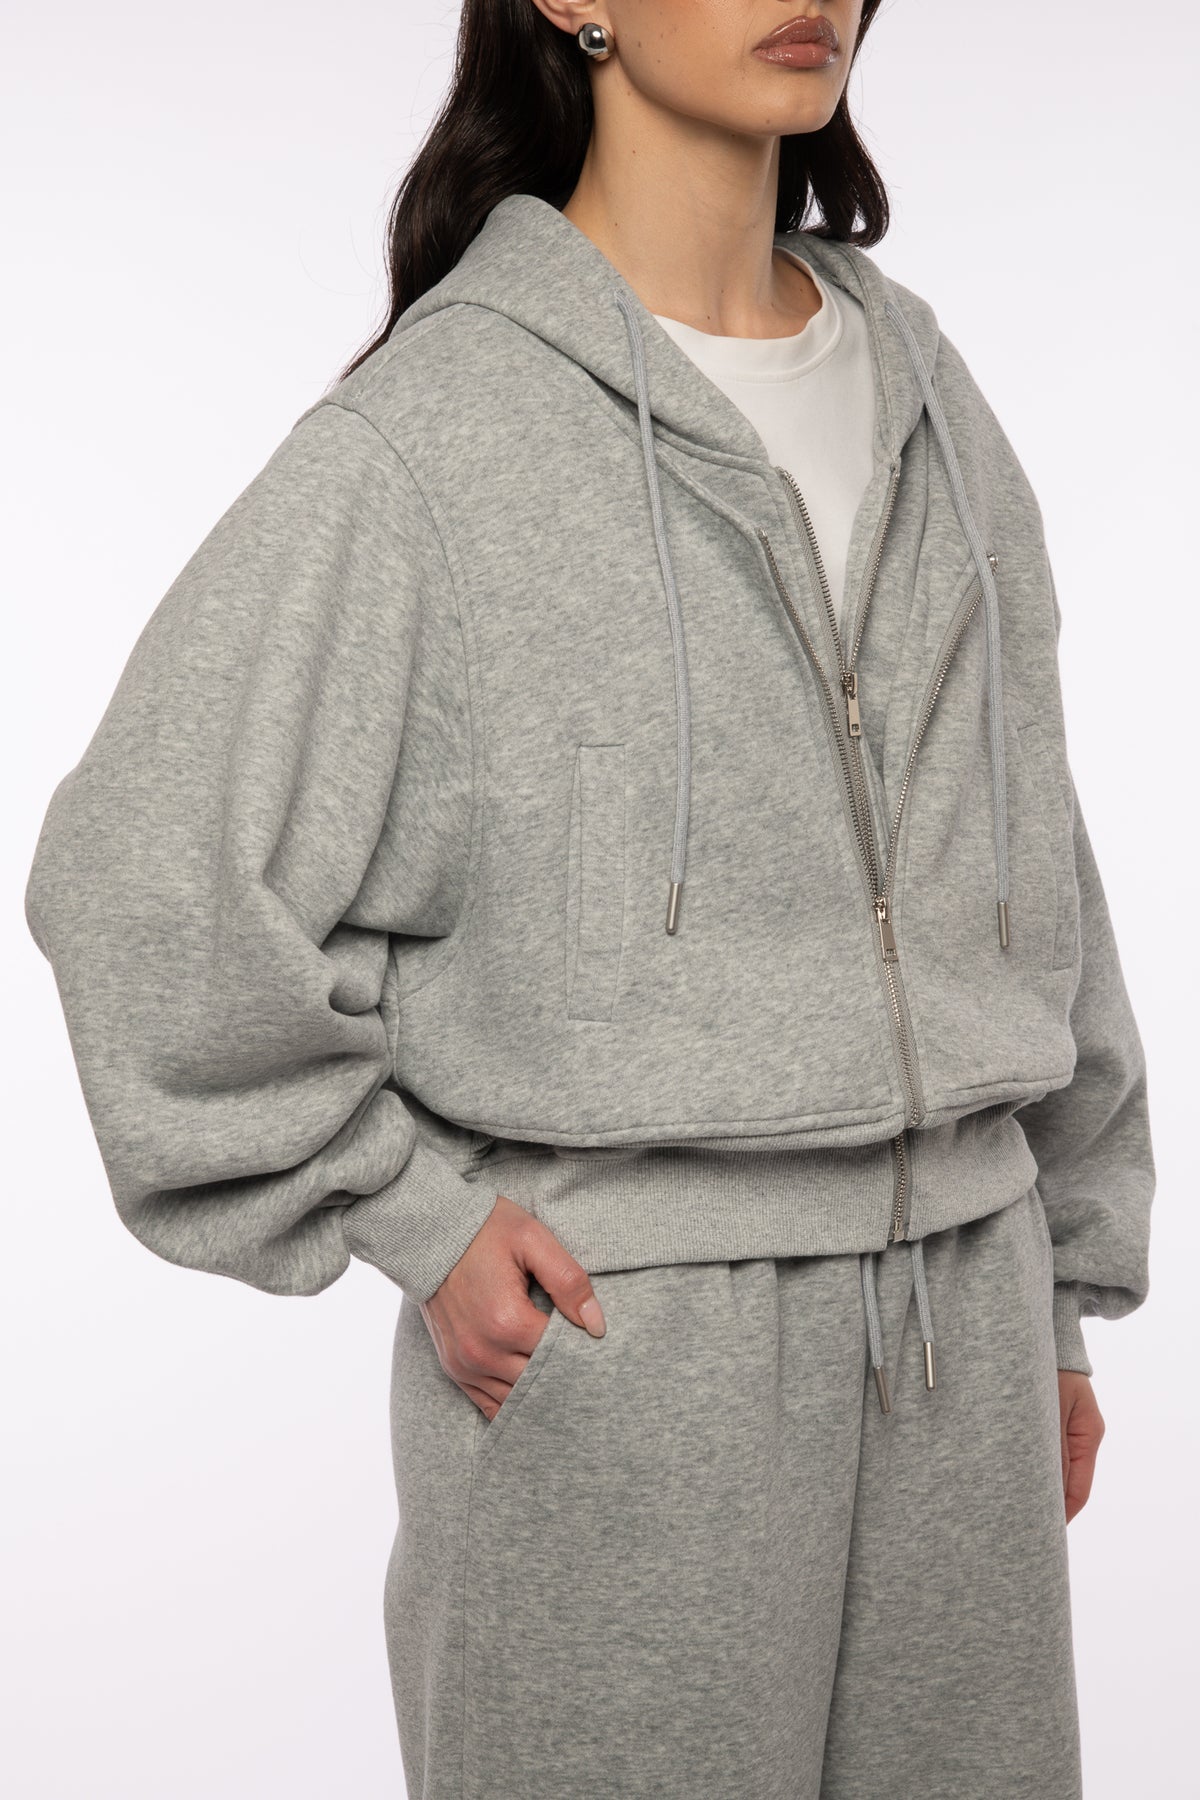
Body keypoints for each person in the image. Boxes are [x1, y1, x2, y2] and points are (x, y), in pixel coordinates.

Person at [24, 2, 1155, 1795]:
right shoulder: (432, 442)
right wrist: (410, 1211)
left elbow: (1035, 867)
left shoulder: (936, 404)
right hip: (635, 1366)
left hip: (968, 1344)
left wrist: (1061, 1289)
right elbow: (147, 880)